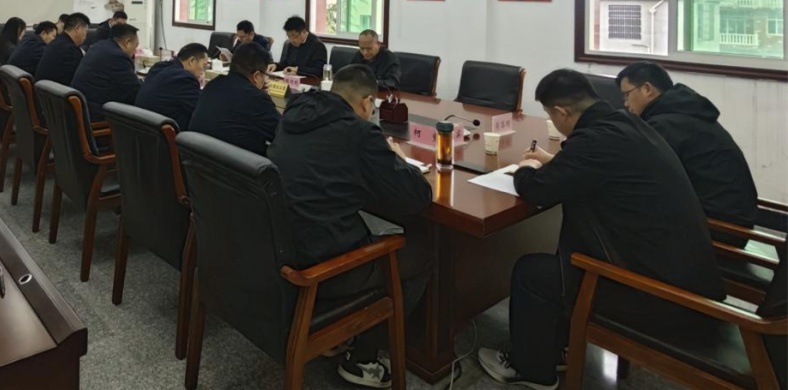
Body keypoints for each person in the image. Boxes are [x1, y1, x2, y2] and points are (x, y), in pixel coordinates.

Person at [478, 70, 725, 390]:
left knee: (532, 272)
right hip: (685, 276)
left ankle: (531, 369)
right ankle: (555, 348)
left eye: (551, 115)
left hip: (659, 297)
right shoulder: (625, 124)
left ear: (561, 112)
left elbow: (537, 190)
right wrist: (556, 162)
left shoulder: (594, 142)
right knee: (566, 256)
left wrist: (527, 167)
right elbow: (595, 167)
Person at [268, 65, 433, 388]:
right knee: (422, 251)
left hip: (282, 248)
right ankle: (364, 357)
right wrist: (396, 158)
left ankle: (342, 333)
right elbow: (416, 197)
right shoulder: (359, 133)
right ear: (367, 102)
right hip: (323, 267)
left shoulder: (293, 116)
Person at [616, 61, 758, 231]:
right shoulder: (683, 113)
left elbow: (642, 176)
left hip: (717, 226)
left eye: (626, 95)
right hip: (731, 217)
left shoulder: (666, 125)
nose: (625, 104)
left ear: (647, 89)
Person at [189, 42, 281, 156]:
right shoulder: (256, 99)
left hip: (196, 161)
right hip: (233, 165)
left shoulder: (212, 85)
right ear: (256, 76)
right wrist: (263, 96)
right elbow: (282, 133)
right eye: (266, 75)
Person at [70, 22, 141, 122]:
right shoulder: (117, 57)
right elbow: (134, 92)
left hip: (81, 109)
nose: (135, 51)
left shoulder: (98, 46)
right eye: (135, 46)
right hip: (95, 116)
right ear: (127, 42)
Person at [134, 43, 207, 129]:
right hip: (164, 132)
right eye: (204, 66)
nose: (203, 72)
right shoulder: (184, 78)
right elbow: (200, 111)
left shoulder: (159, 66)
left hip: (141, 127)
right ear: (192, 61)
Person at [36, 13, 91, 86]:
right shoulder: (72, 51)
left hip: (43, 90)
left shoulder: (54, 43)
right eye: (85, 31)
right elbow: (80, 80)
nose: (85, 36)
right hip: (57, 91)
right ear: (77, 28)